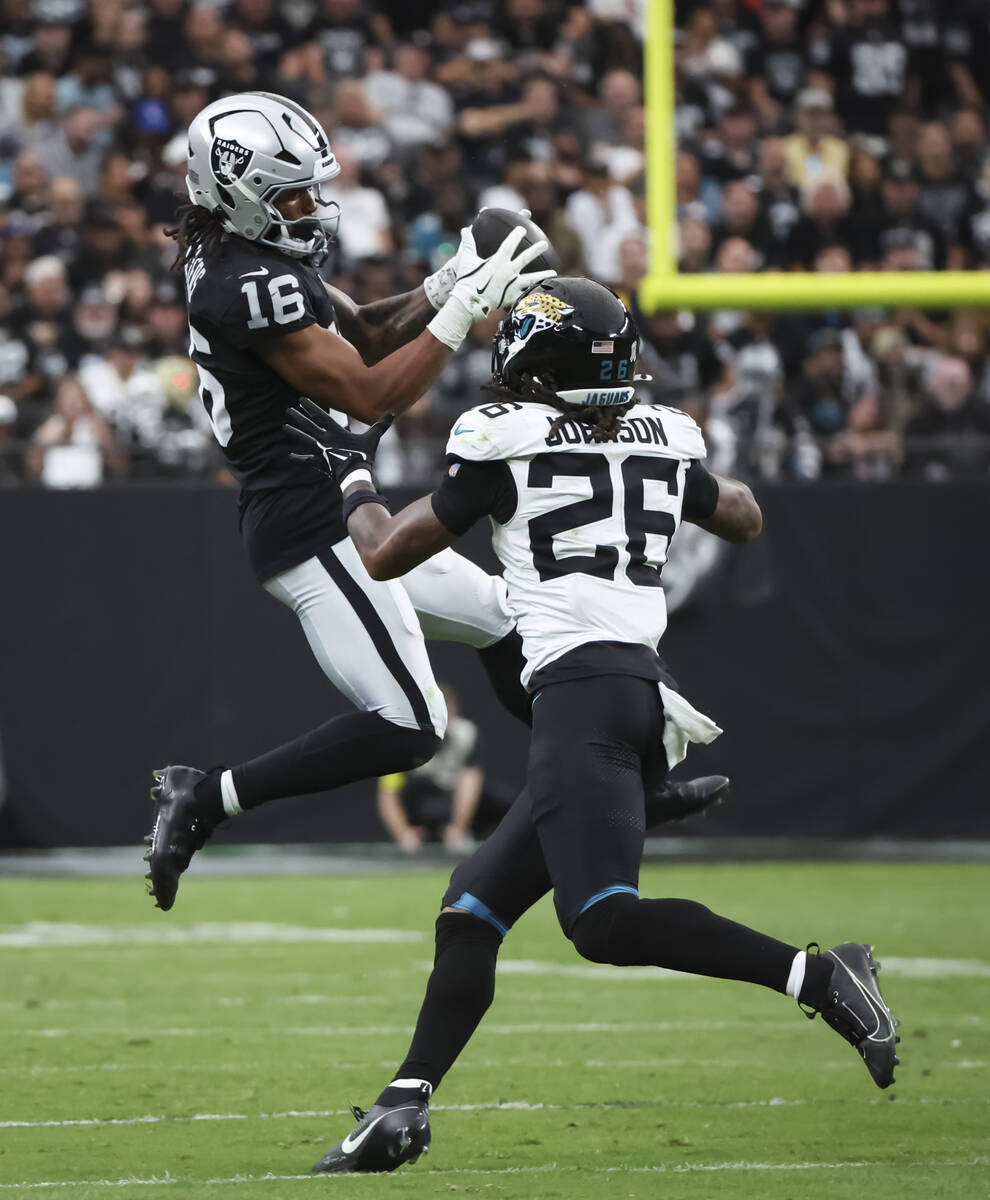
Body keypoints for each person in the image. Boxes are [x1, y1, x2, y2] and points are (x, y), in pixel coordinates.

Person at [286, 278, 900, 1174]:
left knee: (605, 922)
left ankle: (822, 977)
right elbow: (743, 514)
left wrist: (349, 472)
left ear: (539, 361)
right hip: (633, 690)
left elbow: (382, 552)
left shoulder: (502, 439)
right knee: (470, 909)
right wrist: (654, 465)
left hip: (582, 699)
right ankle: (400, 1109)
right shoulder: (663, 433)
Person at [144, 91, 724, 910]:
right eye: (293, 197)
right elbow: (372, 389)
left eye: (311, 191)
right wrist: (464, 307)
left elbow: (367, 334)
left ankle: (635, 783)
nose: (312, 209)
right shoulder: (244, 284)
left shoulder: (252, 257)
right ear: (239, 195)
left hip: (335, 506)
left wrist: (450, 279)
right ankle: (205, 797)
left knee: (509, 622)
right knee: (412, 724)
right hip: (314, 526)